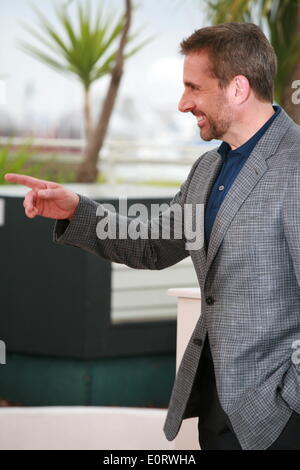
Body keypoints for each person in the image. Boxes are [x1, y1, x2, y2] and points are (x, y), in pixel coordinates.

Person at [5, 22, 300, 450]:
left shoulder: (295, 167)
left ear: (237, 89)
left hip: (279, 421)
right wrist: (76, 209)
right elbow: (150, 243)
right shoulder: (207, 170)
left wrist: (289, 404)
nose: (183, 103)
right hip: (217, 413)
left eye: (193, 88)